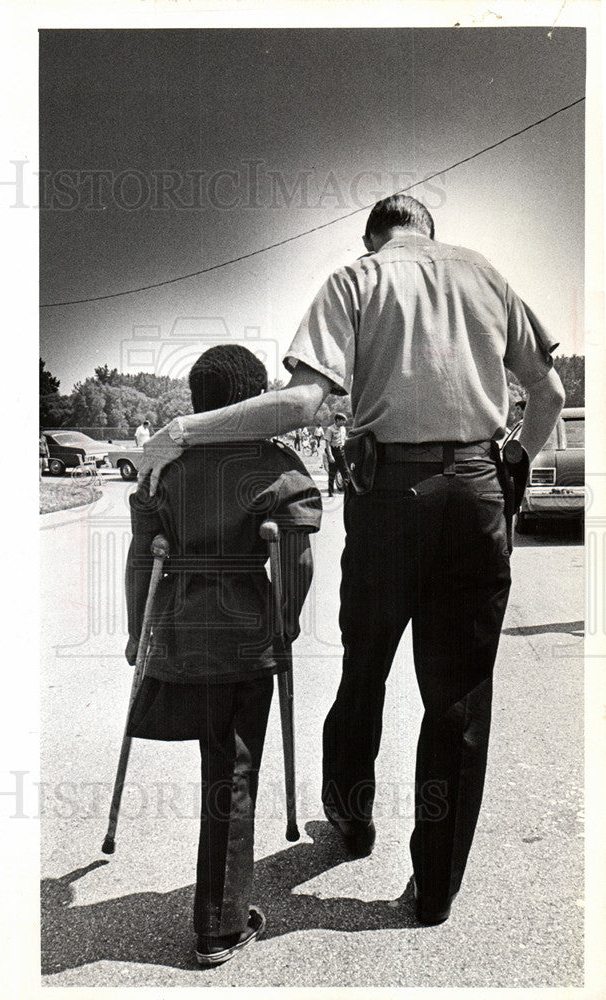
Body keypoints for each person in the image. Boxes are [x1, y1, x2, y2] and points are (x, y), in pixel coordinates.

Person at [138, 194, 565, 925]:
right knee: (458, 697)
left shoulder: (356, 280)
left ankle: (351, 815)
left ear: (372, 236)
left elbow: (305, 402)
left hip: (389, 495)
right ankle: (433, 891)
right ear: (431, 231)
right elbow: (548, 390)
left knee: (364, 663)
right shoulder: (487, 276)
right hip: (474, 488)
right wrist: (512, 459)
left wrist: (181, 429)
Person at [125, 344, 321, 966]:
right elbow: (296, 557)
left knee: (216, 761)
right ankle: (220, 924)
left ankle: (219, 904)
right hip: (243, 642)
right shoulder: (273, 464)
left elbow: (139, 559)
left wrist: (138, 632)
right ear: (255, 401)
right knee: (233, 771)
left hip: (180, 634)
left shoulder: (164, 471)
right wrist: (284, 622)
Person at [323, 412, 349, 496]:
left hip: (342, 452)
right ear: (337, 420)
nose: (344, 422)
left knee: (345, 472)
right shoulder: (330, 429)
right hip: (334, 452)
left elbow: (344, 439)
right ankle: (330, 492)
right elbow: (327, 444)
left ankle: (347, 492)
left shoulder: (343, 429)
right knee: (332, 473)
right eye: (343, 420)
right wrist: (330, 456)